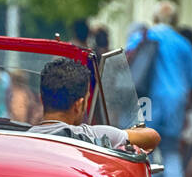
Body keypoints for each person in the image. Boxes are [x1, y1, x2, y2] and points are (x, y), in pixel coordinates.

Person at [125, 1, 192, 177]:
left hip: (146, 100)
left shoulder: (141, 38)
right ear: (176, 20)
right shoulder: (183, 44)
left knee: (144, 143)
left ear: (154, 18)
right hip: (176, 100)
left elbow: (125, 64)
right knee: (170, 145)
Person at [28, 57, 160, 151]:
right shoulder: (92, 136)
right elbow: (152, 137)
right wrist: (123, 133)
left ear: (42, 99)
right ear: (79, 105)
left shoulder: (22, 139)